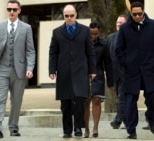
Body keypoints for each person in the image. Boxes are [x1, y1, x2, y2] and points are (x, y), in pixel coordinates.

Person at [0, 0, 36, 139]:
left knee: (16, 100)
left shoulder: (26, 28)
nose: (11, 12)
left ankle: (13, 127)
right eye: (9, 9)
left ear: (19, 11)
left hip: (20, 70)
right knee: (0, 98)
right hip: (1, 69)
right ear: (7, 10)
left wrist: (30, 68)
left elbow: (30, 51)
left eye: (14, 9)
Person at [116, 1, 154, 139]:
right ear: (130, 13)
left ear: (143, 12)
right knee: (130, 102)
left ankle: (151, 120)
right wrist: (126, 62)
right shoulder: (125, 28)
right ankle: (131, 130)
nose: (137, 16)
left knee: (152, 97)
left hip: (149, 70)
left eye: (139, 14)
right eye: (134, 14)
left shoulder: (153, 25)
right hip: (131, 71)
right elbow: (119, 49)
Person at [48, 4, 96, 138]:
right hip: (63, 71)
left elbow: (90, 52)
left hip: (81, 70)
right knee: (65, 102)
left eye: (71, 15)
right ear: (64, 16)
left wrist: (92, 70)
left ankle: (78, 128)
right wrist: (52, 70)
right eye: (66, 16)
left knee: (79, 100)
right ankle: (67, 130)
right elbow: (53, 52)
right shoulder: (57, 32)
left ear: (76, 15)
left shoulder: (85, 30)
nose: (69, 18)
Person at [83, 21, 114, 138]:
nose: (93, 36)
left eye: (95, 34)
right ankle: (86, 129)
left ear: (99, 32)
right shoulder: (83, 43)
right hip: (84, 76)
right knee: (85, 102)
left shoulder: (104, 44)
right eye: (91, 34)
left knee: (96, 100)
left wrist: (110, 81)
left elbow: (108, 63)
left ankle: (95, 127)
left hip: (98, 75)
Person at [106, 14, 128, 129]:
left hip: (127, 74)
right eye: (118, 22)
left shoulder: (130, 37)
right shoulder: (110, 38)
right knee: (120, 98)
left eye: (122, 23)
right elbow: (107, 57)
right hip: (114, 75)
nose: (119, 24)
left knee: (122, 98)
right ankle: (127, 122)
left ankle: (118, 120)